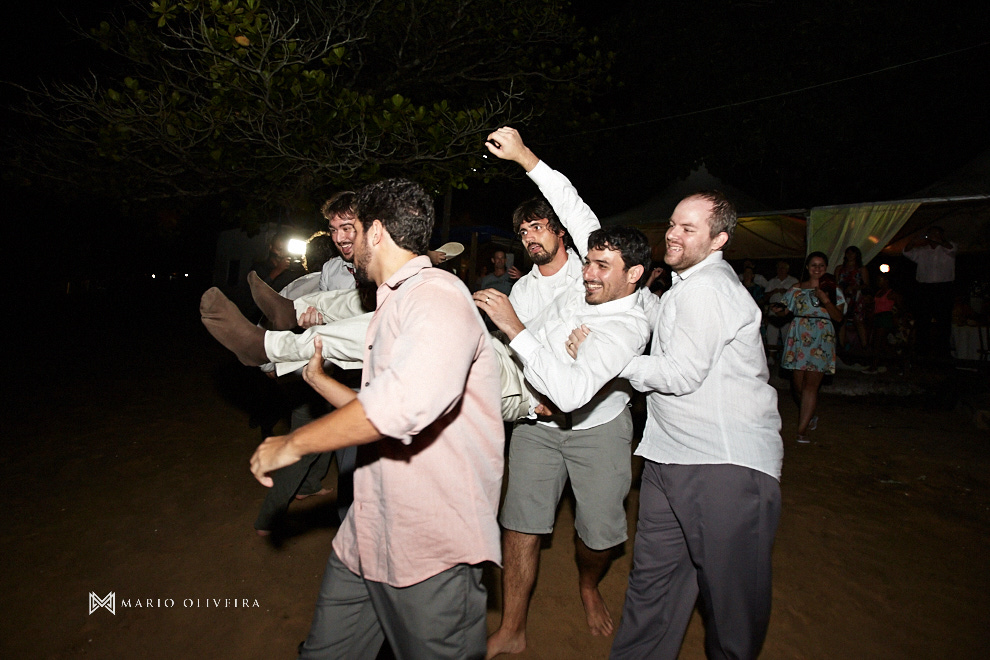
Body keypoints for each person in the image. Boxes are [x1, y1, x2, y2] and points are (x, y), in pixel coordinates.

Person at [248, 178, 505, 659]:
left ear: (377, 232)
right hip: (366, 534)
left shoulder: (437, 297)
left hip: (430, 549)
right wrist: (321, 381)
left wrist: (293, 443)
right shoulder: (394, 300)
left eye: (355, 229)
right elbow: (382, 407)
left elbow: (403, 407)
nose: (346, 245)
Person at [574, 191, 783, 660]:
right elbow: (654, 315)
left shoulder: (709, 288)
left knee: (731, 609)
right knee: (653, 588)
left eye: (689, 228)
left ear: (719, 239)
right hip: (669, 460)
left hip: (723, 465)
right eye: (672, 223)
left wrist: (615, 361)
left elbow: (680, 374)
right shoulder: (683, 289)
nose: (672, 233)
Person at [477, 227, 652, 658]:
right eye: (588, 262)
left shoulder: (629, 325)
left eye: (600, 266)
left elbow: (572, 395)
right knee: (519, 524)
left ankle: (589, 584)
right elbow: (548, 360)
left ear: (634, 274)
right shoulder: (583, 288)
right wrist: (523, 156)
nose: (587, 273)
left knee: (599, 538)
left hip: (599, 432)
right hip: (538, 430)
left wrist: (514, 328)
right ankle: (512, 627)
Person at [775, 252, 845, 443]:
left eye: (821, 265)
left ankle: (802, 430)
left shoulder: (833, 289)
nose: (817, 269)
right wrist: (777, 310)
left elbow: (838, 317)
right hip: (799, 337)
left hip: (821, 338)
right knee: (798, 386)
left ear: (826, 267)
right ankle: (810, 413)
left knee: (810, 387)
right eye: (813, 265)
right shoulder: (796, 289)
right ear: (807, 268)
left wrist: (825, 299)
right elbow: (784, 310)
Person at [903, 226, 957, 358]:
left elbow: (951, 248)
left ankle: (943, 355)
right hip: (925, 289)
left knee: (943, 322)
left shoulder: (948, 248)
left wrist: (939, 240)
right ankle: (922, 354)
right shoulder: (922, 250)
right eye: (931, 234)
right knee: (923, 321)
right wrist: (914, 240)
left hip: (943, 288)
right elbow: (906, 252)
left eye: (937, 234)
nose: (934, 237)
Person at [834, 245, 870, 356]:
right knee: (841, 320)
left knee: (858, 320)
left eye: (852, 253)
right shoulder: (840, 268)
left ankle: (865, 347)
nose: (850, 255)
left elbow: (866, 284)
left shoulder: (861, 269)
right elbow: (835, 283)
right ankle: (842, 346)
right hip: (842, 297)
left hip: (855, 297)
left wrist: (854, 288)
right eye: (848, 253)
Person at [764, 260, 798, 363]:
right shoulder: (772, 282)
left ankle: (787, 356)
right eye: (779, 268)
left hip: (787, 311)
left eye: (783, 268)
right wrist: (773, 292)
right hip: (773, 309)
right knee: (771, 332)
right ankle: (771, 356)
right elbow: (765, 297)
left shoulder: (793, 281)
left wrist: (786, 292)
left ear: (787, 269)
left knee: (787, 333)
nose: (781, 270)